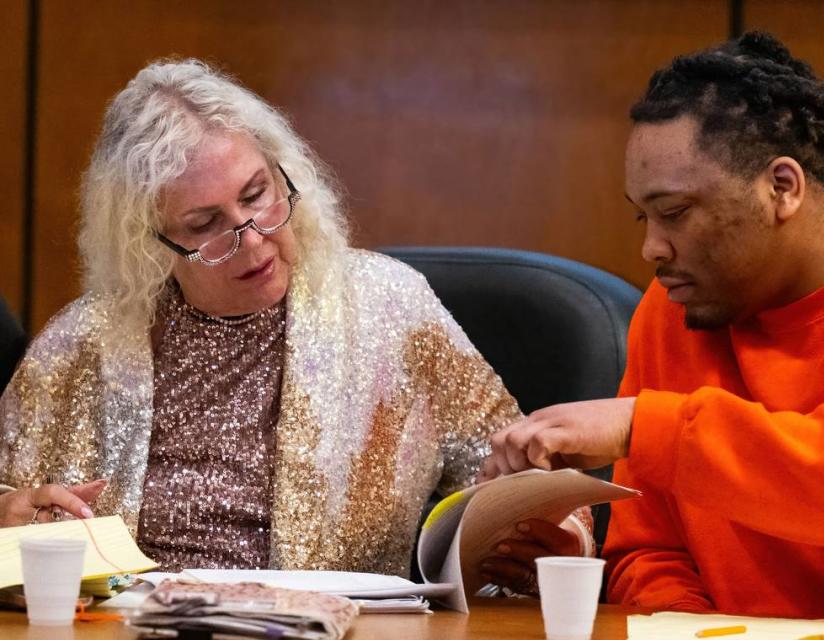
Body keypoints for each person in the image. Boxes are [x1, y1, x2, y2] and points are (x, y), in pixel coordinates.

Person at [0, 59, 590, 584]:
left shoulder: (388, 307)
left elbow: (524, 473)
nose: (252, 240)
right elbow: (11, 506)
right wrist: (10, 521)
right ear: (148, 244)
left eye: (258, 196)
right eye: (205, 225)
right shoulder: (82, 344)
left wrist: (550, 536)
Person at [483, 31, 824, 622]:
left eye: (676, 214)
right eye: (644, 216)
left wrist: (649, 428)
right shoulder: (675, 307)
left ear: (781, 188)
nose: (652, 248)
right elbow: (648, 550)